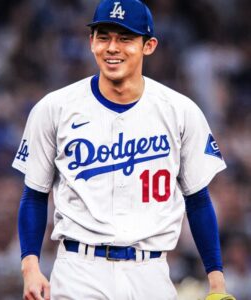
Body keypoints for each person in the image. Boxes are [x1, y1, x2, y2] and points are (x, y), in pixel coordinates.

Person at [12, 0, 236, 299]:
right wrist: (30, 267)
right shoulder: (55, 108)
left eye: (125, 38)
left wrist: (217, 282)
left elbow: (197, 199)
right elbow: (34, 194)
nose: (112, 47)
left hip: (151, 271)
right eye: (103, 37)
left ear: (149, 45)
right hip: (79, 268)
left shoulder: (180, 111)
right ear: (91, 42)